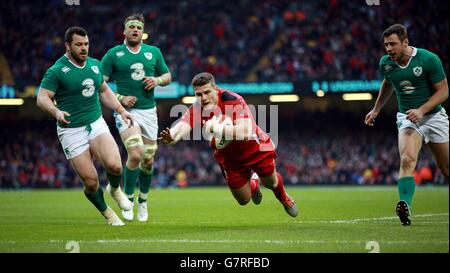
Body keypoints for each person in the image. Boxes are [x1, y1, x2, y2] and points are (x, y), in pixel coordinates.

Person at [159, 72, 298, 217]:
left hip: (254, 148)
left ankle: (284, 198)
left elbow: (245, 132)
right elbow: (183, 125)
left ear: (216, 89)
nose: (203, 98)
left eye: (207, 92)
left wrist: (217, 128)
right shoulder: (197, 107)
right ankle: (254, 184)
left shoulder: (233, 100)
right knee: (243, 199)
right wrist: (172, 136)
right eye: (198, 94)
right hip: (229, 157)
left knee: (271, 183)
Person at [37, 26, 134, 226]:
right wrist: (56, 111)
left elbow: (104, 90)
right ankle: (107, 213)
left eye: (86, 44)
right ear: (67, 46)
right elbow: (42, 97)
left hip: (96, 122)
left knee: (115, 165)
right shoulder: (57, 71)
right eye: (79, 44)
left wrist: (121, 110)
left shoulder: (95, 65)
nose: (84, 48)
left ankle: (115, 189)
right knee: (91, 182)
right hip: (71, 130)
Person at [365, 24, 449, 225]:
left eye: (392, 44)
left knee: (446, 168)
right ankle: (405, 205)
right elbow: (388, 82)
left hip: (433, 117)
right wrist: (376, 109)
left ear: (405, 42)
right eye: (386, 45)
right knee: (407, 159)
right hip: (407, 118)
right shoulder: (386, 63)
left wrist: (421, 110)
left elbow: (444, 91)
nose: (388, 49)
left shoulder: (428, 59)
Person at [101, 13, 172, 222]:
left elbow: (168, 76)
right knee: (136, 153)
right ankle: (128, 198)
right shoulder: (113, 54)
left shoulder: (153, 52)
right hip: (126, 113)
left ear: (143, 31)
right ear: (124, 31)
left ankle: (143, 200)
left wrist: (157, 80)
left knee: (148, 160)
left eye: (138, 27)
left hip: (149, 111)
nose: (135, 30)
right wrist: (120, 98)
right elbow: (100, 84)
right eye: (131, 27)